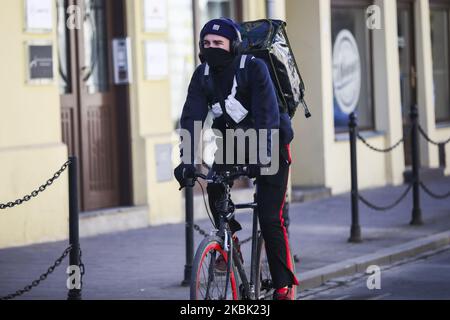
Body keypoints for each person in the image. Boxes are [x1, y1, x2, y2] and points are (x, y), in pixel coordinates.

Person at [174, 17, 298, 300]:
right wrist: (187, 161)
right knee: (215, 185)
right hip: (232, 143)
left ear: (234, 45)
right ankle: (229, 242)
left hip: (272, 142)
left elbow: (267, 115)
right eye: (206, 43)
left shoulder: (254, 68)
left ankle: (283, 287)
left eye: (218, 42)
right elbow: (192, 116)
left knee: (269, 217)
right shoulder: (202, 74)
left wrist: (263, 156)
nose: (211, 47)